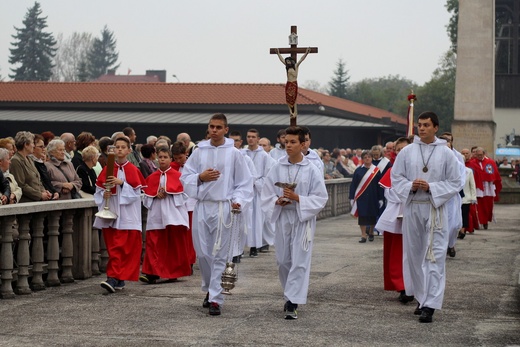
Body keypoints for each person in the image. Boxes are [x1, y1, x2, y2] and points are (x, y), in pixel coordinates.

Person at [391, 111, 461, 323]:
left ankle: (430, 304)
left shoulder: (446, 153)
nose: (421, 128)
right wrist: (409, 186)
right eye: (419, 125)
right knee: (414, 255)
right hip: (413, 206)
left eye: (426, 125)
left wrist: (431, 187)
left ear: (436, 128)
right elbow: (396, 177)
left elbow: (455, 181)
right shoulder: (408, 152)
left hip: (434, 209)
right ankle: (421, 298)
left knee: (435, 255)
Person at [180, 113, 253, 316]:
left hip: (223, 207)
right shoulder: (199, 151)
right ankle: (210, 288)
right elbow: (185, 177)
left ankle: (215, 298)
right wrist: (200, 178)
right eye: (211, 126)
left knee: (219, 253)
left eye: (218, 127)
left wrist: (238, 200)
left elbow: (244, 182)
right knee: (203, 253)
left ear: (226, 130)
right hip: (203, 206)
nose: (214, 130)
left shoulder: (234, 154)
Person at [261, 126, 328, 319]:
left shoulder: (312, 169)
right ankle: (289, 293)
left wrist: (298, 198)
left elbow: (321, 197)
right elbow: (266, 193)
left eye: (292, 142)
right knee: (283, 260)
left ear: (302, 144)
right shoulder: (277, 166)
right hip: (283, 216)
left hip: (302, 218)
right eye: (286, 142)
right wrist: (277, 201)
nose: (288, 145)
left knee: (299, 260)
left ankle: (292, 301)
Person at [93, 136, 147, 293]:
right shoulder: (107, 168)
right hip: (112, 212)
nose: (120, 150)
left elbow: (137, 195)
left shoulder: (133, 170)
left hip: (128, 215)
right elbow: (98, 190)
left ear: (129, 150)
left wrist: (122, 184)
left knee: (122, 247)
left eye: (123, 147)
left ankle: (113, 277)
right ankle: (119, 279)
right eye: (117, 147)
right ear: (113, 149)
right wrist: (104, 194)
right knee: (113, 247)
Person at [140, 147, 192, 284]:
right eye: (160, 157)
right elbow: (145, 199)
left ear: (170, 159)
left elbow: (186, 197)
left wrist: (170, 192)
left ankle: (173, 272)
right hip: (156, 215)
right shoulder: (151, 177)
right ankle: (152, 273)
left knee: (173, 245)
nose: (162, 159)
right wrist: (155, 195)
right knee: (154, 244)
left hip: (173, 215)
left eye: (165, 157)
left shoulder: (180, 176)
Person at [243, 129, 275, 254]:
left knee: (256, 220)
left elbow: (268, 175)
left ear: (257, 138)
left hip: (257, 191)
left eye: (253, 137)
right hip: (245, 191)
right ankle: (241, 247)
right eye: (248, 136)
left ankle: (255, 246)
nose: (250, 139)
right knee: (245, 220)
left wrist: (255, 182)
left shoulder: (264, 156)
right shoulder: (242, 153)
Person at [171, 141, 197, 270]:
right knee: (180, 235)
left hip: (191, 204)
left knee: (190, 235)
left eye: (180, 158)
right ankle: (180, 260)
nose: (178, 161)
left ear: (186, 154)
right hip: (177, 205)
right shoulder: (172, 167)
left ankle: (190, 260)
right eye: (175, 158)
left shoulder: (193, 165)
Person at [349, 150, 383, 243]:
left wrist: (380, 198)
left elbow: (379, 185)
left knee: (372, 215)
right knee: (362, 216)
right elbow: (353, 185)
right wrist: (352, 198)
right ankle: (363, 235)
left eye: (369, 157)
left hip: (373, 196)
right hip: (361, 197)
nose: (367, 158)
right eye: (365, 157)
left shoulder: (376, 170)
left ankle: (371, 232)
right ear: (363, 159)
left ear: (371, 158)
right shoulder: (358, 170)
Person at [10, 131, 53, 202]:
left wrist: (44, 192)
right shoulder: (16, 160)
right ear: (26, 145)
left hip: (37, 201)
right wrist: (40, 195)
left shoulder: (29, 159)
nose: (33, 145)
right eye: (32, 143)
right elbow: (21, 185)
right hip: (27, 202)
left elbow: (37, 180)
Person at [275, 47, 311, 118]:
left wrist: (306, 53)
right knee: (288, 98)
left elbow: (301, 59)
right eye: (287, 61)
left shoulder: (295, 66)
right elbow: (282, 60)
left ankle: (295, 113)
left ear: (291, 61)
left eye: (288, 61)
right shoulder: (287, 68)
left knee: (294, 99)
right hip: (288, 83)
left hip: (293, 83)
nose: (287, 62)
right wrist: (278, 53)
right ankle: (291, 112)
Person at [471, 147, 502, 230]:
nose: (479, 156)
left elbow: (495, 173)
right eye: (478, 155)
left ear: (484, 154)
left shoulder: (490, 162)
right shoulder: (472, 162)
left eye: (481, 155)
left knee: (488, 205)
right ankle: (480, 221)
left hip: (488, 186)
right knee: (479, 205)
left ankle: (486, 221)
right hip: (478, 186)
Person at [30, 134, 60, 200]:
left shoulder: (41, 163)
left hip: (49, 196)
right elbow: (40, 182)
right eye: (41, 147)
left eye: (44, 146)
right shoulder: (32, 163)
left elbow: (47, 181)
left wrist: (55, 192)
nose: (43, 149)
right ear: (33, 148)